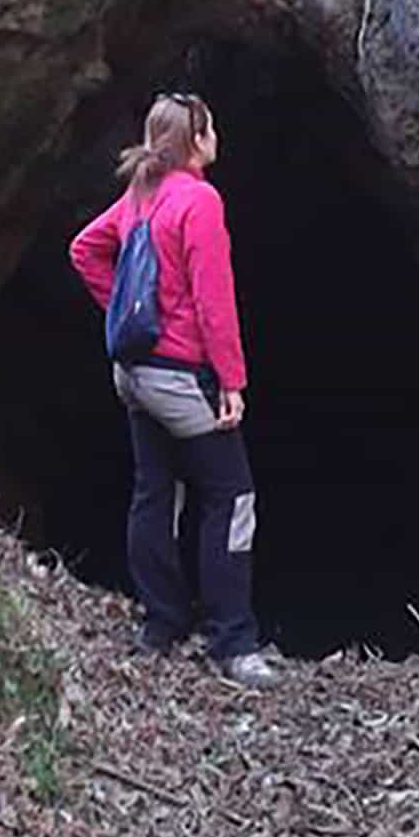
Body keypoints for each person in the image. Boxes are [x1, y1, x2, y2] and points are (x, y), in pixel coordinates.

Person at [69, 92, 279, 688]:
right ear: (197, 140)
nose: (217, 137)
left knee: (155, 493)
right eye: (210, 128)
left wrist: (127, 316)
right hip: (182, 377)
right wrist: (232, 381)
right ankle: (233, 643)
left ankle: (161, 626)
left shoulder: (142, 193)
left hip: (134, 373)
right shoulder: (199, 200)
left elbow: (84, 250)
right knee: (231, 497)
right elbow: (215, 301)